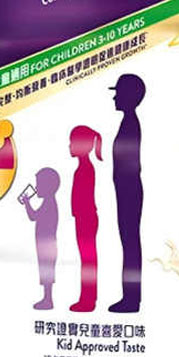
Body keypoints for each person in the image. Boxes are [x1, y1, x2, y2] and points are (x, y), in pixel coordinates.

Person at [108, 74, 146, 313]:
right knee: (129, 243)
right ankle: (131, 297)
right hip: (126, 189)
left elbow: (128, 163)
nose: (114, 98)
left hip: (128, 191)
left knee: (130, 244)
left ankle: (131, 299)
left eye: (118, 93)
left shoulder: (130, 123)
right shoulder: (128, 122)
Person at [69, 125, 102, 312]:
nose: (69, 146)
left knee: (88, 260)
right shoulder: (83, 168)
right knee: (87, 260)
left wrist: (79, 215)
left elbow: (84, 198)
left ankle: (88, 300)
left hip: (85, 218)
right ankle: (88, 298)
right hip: (84, 218)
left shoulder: (85, 169)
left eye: (72, 142)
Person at [20, 167, 60, 310]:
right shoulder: (49, 202)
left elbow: (33, 217)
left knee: (47, 272)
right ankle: (47, 298)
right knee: (46, 271)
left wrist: (27, 203)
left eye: (39, 184)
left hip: (47, 246)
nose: (36, 188)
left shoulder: (49, 203)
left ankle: (48, 300)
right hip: (46, 244)